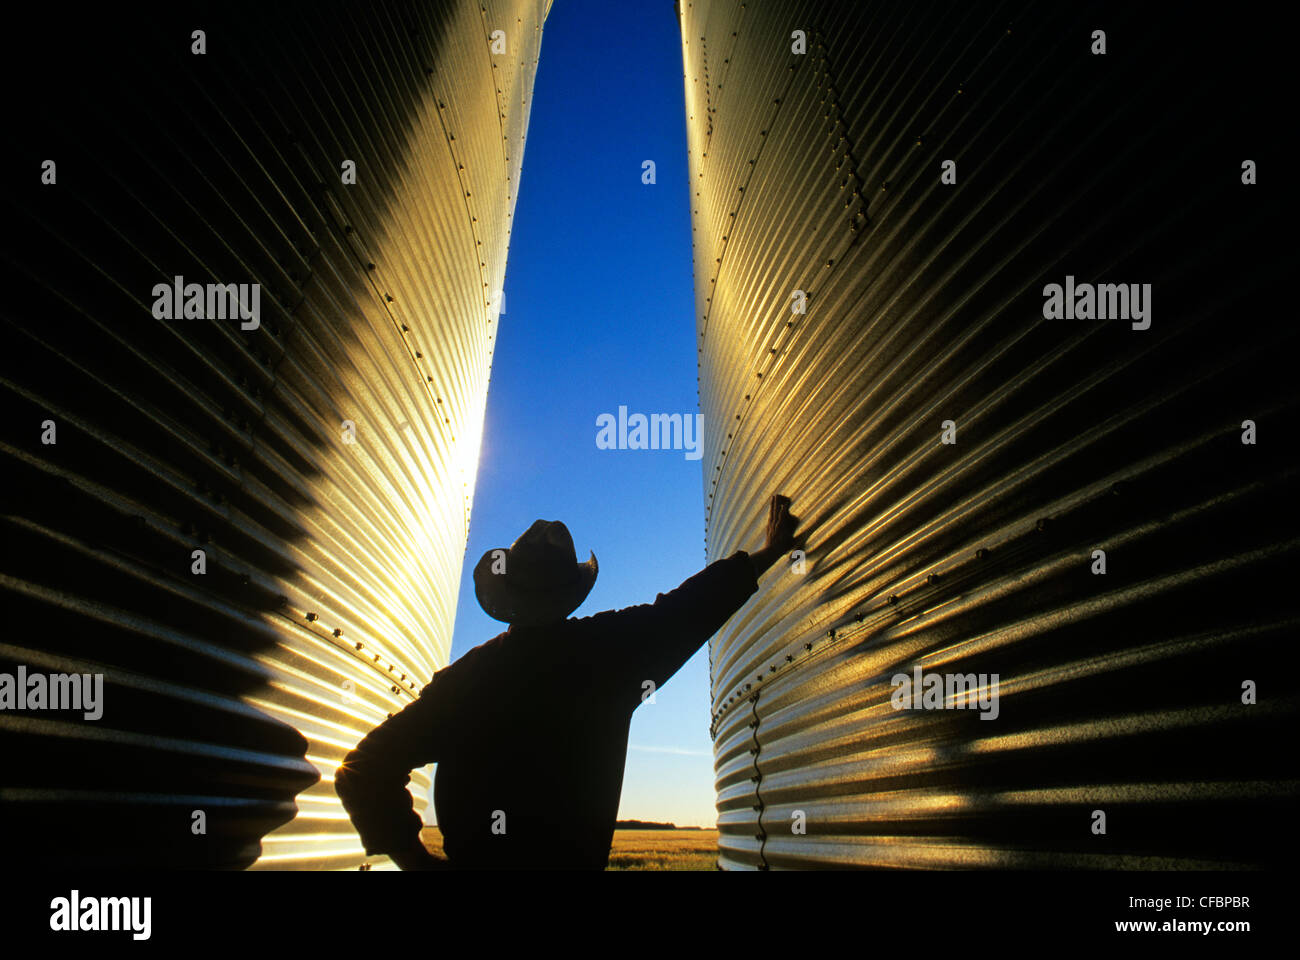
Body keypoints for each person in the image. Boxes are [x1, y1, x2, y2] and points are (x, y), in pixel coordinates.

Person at [334, 494, 800, 869]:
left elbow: (363, 768)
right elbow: (685, 610)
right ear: (570, 593)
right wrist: (766, 553)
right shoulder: (606, 654)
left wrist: (414, 861)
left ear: (506, 595)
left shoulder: (465, 681)